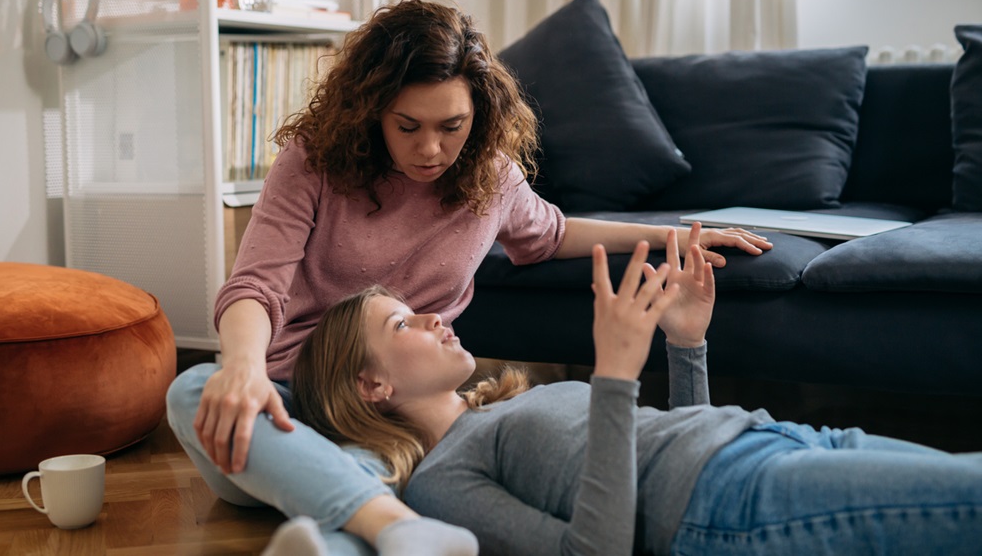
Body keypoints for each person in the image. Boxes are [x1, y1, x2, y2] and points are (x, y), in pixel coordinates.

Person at [165, 0, 772, 556]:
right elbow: (255, 285)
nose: (431, 148)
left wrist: (673, 236)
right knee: (191, 389)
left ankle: (371, 526)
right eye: (408, 126)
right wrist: (243, 370)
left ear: (477, 115)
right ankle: (383, 517)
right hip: (291, 403)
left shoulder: (492, 177)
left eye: (450, 126)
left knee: (394, 474)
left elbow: (552, 234)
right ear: (372, 111)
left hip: (401, 416)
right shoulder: (314, 163)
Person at [287, 224, 982, 556]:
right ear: (372, 385)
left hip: (773, 444)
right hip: (741, 502)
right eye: (405, 322)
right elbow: (598, 551)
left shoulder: (506, 409)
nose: (436, 316)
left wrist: (686, 345)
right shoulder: (440, 484)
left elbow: (675, 447)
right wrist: (615, 375)